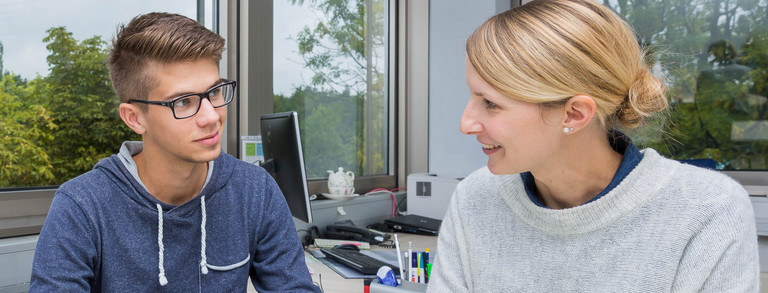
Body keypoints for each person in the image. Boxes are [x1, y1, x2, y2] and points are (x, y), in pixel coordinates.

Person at [427, 0, 759, 292]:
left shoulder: (708, 210)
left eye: (491, 103)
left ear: (574, 113)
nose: (466, 124)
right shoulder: (475, 199)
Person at [29, 12, 320, 292]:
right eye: (182, 102)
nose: (211, 116)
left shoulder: (256, 190)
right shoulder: (81, 206)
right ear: (134, 118)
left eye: (215, 92)